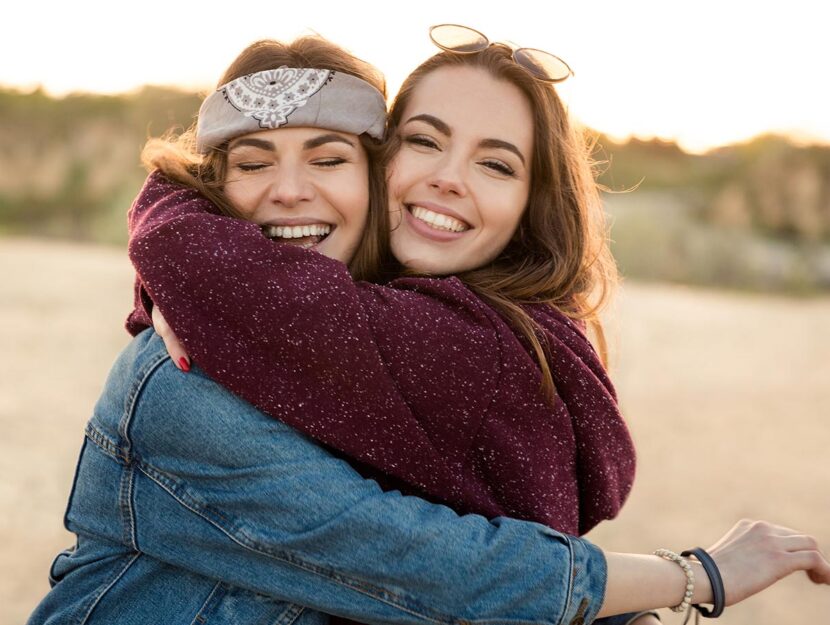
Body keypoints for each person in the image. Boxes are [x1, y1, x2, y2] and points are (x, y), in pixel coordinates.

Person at [29, 32, 830, 625]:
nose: (289, 191)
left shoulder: (488, 354)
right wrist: (695, 573)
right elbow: (442, 570)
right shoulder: (180, 380)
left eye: (330, 156)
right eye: (251, 163)